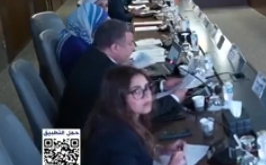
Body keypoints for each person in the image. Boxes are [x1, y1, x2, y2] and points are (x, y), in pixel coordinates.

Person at [57, 20, 186, 129]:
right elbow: (134, 111)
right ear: (115, 48)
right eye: (130, 43)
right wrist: (174, 98)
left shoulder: (94, 54)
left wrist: (162, 85)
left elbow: (130, 92)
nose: (133, 48)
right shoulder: (107, 74)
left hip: (73, 129)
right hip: (82, 142)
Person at [82, 66, 187, 165]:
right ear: (119, 98)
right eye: (137, 91)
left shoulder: (119, 117)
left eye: (147, 87)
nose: (147, 95)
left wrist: (161, 150)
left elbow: (134, 152)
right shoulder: (120, 138)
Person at [56, 3, 109, 78]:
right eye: (98, 25)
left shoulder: (73, 35)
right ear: (87, 23)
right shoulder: (77, 47)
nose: (102, 31)